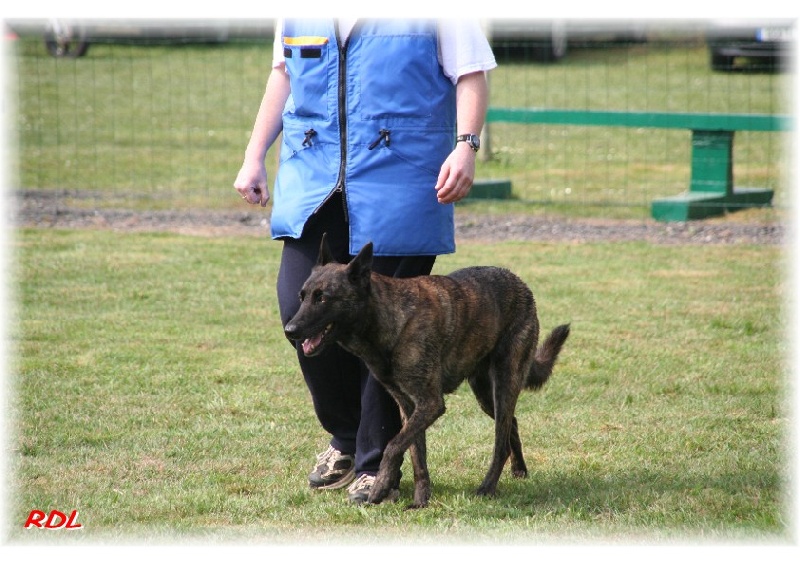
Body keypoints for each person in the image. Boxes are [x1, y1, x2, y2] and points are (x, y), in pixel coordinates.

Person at [234, 18, 496, 504]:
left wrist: (466, 146)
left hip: (402, 181)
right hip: (314, 180)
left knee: (388, 335)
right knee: (302, 315)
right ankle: (346, 438)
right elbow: (283, 74)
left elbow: (472, 73)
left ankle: (377, 465)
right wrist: (254, 155)